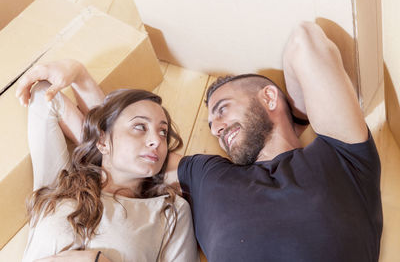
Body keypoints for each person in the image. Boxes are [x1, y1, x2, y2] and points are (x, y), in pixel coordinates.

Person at [17, 22, 382, 262]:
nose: (217, 127)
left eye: (223, 109)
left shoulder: (340, 155)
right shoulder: (209, 174)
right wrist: (79, 78)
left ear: (270, 99)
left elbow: (306, 40)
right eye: (210, 122)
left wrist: (296, 117)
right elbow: (125, 149)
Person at [18, 77, 199, 261]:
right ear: (103, 140)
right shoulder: (59, 184)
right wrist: (78, 74)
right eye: (140, 126)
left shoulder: (169, 212)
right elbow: (44, 96)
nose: (157, 140)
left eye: (163, 132)